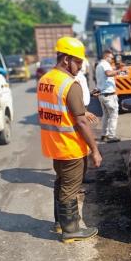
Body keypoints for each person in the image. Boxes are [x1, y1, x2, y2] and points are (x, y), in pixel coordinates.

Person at [37, 37, 102, 243]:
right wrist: (95, 149)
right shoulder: (69, 85)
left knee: (61, 182)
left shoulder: (45, 80)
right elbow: (81, 122)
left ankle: (60, 223)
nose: (81, 67)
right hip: (70, 146)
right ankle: (71, 229)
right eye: (79, 62)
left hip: (54, 144)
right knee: (70, 188)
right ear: (66, 59)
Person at [95, 49, 120, 143]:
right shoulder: (105, 64)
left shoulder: (98, 65)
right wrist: (119, 71)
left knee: (106, 115)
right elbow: (108, 73)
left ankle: (104, 134)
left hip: (102, 94)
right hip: (109, 95)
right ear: (106, 56)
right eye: (111, 58)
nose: (112, 59)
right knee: (113, 114)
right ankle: (111, 135)